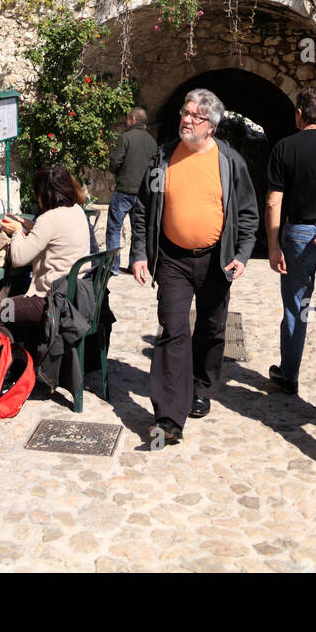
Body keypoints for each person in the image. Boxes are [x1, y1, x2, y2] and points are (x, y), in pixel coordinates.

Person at [130, 88, 258, 446]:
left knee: (212, 328)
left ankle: (202, 387)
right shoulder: (163, 158)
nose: (186, 119)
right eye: (185, 113)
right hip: (172, 258)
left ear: (212, 126)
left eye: (196, 116)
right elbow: (143, 207)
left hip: (217, 259)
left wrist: (243, 253)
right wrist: (140, 252)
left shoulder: (230, 162)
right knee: (172, 329)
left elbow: (248, 213)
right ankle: (170, 417)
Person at [264, 83, 316, 424]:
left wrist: (272, 245)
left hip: (297, 233)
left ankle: (289, 375)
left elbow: (273, 201)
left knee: (295, 306)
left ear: (299, 114)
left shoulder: (285, 148)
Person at [0, 165, 92, 355]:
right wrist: (30, 226)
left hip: (50, 301)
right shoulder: (76, 211)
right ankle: (27, 357)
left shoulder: (49, 218)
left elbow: (18, 258)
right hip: (75, 295)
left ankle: (12, 367)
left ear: (45, 193)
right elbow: (57, 237)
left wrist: (17, 232)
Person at [106, 108, 158, 275]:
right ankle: (134, 264)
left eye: (128, 119)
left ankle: (112, 267)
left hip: (124, 190)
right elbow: (155, 168)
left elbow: (115, 161)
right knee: (139, 230)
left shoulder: (125, 138)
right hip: (143, 194)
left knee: (114, 228)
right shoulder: (152, 142)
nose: (126, 122)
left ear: (133, 119)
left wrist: (118, 172)